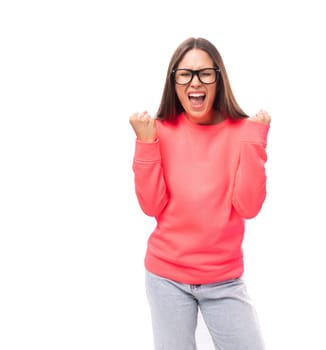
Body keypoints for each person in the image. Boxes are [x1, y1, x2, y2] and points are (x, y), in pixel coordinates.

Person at [129, 37, 271, 350]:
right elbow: (151, 205)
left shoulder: (242, 132)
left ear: (218, 79)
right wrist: (146, 145)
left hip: (224, 279)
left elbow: (248, 207)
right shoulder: (158, 131)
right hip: (166, 277)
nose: (195, 82)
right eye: (185, 74)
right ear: (174, 81)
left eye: (205, 73)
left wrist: (254, 143)